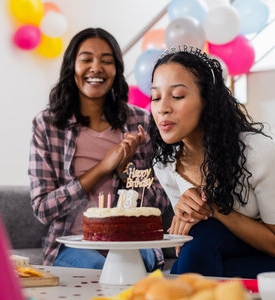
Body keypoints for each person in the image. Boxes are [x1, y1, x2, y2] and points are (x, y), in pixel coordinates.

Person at [149, 46, 275, 278]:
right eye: (155, 97)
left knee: (187, 270)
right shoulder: (165, 164)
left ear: (206, 100)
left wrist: (214, 208)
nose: (162, 108)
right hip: (231, 248)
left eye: (177, 96)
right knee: (194, 252)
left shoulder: (256, 152)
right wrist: (190, 215)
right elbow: (191, 231)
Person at [28, 28, 170, 271]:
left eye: (106, 61)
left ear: (116, 70)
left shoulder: (141, 122)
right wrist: (104, 167)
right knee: (98, 268)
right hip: (73, 244)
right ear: (71, 66)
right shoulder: (48, 125)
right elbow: (43, 208)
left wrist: (127, 170)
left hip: (132, 240)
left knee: (131, 264)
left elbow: (160, 200)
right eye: (86, 60)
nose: (96, 68)